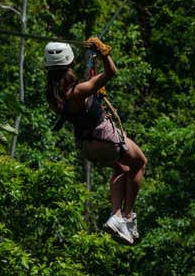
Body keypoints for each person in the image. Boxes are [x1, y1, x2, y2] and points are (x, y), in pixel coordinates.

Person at [44, 37, 147, 245]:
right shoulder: (80, 91)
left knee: (122, 170)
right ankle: (127, 216)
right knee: (140, 163)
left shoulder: (53, 95)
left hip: (87, 146)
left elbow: (85, 92)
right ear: (70, 63)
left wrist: (93, 65)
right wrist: (104, 53)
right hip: (104, 139)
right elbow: (111, 73)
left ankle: (116, 216)